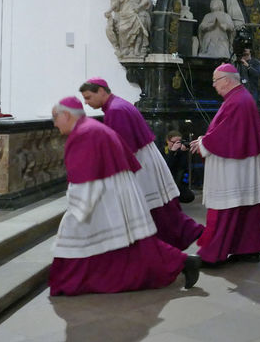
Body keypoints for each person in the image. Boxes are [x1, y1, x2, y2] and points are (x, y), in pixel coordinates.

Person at [48, 97, 199, 296]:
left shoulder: (83, 134)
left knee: (90, 242)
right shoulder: (92, 127)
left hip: (106, 195)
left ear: (66, 115)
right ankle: (182, 262)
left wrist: (78, 208)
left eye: (55, 117)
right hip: (116, 190)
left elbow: (85, 175)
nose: (54, 123)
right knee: (127, 246)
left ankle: (181, 262)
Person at [80, 78, 204, 250]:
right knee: (161, 210)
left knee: (153, 211)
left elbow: (124, 148)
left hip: (140, 164)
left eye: (88, 97)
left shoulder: (116, 110)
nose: (86, 102)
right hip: (144, 159)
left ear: (101, 91)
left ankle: (167, 250)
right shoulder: (118, 105)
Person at [189, 63, 260, 265]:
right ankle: (248, 249)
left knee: (226, 209)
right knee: (244, 208)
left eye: (215, 81)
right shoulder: (239, 97)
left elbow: (224, 136)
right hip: (242, 163)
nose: (214, 86)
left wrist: (202, 143)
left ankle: (213, 254)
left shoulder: (237, 101)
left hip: (233, 167)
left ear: (226, 80)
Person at [164, 131, 195, 203]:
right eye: (174, 142)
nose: (177, 144)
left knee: (189, 196)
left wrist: (182, 152)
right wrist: (172, 152)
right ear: (168, 141)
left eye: (179, 142)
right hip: (166, 182)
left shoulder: (180, 152)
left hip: (179, 182)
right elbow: (166, 167)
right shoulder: (162, 151)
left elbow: (183, 166)